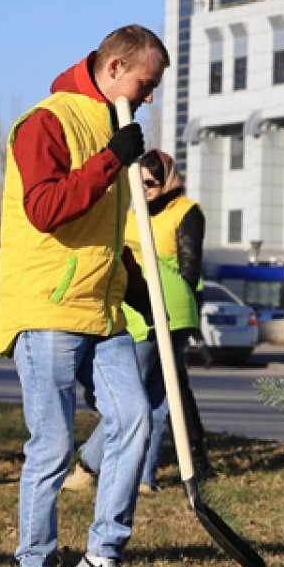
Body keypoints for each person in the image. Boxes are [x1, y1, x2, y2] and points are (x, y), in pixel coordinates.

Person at [0, 24, 167, 567]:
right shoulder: (46, 121)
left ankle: (102, 558)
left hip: (101, 306)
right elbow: (47, 210)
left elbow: (98, 234)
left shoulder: (113, 127)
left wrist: (135, 283)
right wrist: (110, 160)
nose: (149, 98)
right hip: (46, 307)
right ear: (114, 68)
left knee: (136, 419)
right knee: (52, 448)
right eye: (146, 84)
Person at [64, 149, 209, 494]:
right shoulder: (128, 215)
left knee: (133, 394)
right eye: (138, 182)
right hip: (147, 305)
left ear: (167, 181)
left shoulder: (185, 210)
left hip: (162, 305)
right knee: (156, 397)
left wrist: (168, 299)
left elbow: (191, 265)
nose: (145, 190)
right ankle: (144, 478)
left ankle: (87, 466)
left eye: (152, 183)